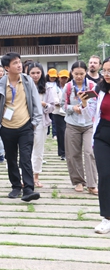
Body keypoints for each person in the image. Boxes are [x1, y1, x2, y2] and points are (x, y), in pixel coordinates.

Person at [0, 52, 42, 202]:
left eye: (19, 62)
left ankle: (29, 189)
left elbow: (36, 101)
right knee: (11, 158)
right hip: (6, 127)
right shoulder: (0, 84)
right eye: (15, 63)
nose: (19, 65)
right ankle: (16, 186)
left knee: (25, 158)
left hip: (26, 125)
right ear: (7, 67)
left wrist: (35, 122)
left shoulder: (27, 80)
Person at [62, 61, 98, 195]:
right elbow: (62, 105)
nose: (78, 76)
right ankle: (78, 181)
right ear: (72, 73)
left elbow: (95, 104)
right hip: (72, 124)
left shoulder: (92, 86)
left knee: (90, 152)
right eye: (76, 74)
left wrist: (84, 107)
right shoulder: (68, 87)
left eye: (81, 74)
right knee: (73, 154)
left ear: (85, 73)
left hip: (89, 124)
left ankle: (92, 183)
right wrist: (73, 108)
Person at [90, 57, 110, 233]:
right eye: (105, 71)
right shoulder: (99, 88)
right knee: (105, 175)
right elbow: (92, 111)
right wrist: (84, 102)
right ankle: (106, 218)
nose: (107, 74)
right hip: (103, 134)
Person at [28, 63, 55, 188]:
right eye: (32, 73)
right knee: (25, 150)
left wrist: (44, 104)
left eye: (38, 73)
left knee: (38, 150)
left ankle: (36, 176)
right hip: (25, 121)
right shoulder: (24, 86)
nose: (35, 75)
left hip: (41, 122)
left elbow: (52, 107)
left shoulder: (47, 88)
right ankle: (26, 176)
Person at [54, 70, 70, 160]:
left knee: (67, 132)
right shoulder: (54, 87)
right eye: (62, 77)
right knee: (60, 133)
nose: (63, 79)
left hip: (68, 112)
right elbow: (54, 100)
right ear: (59, 77)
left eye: (65, 77)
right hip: (57, 112)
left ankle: (66, 151)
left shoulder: (70, 87)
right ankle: (62, 152)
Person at [47, 68, 59, 139]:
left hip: (55, 104)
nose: (52, 78)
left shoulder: (57, 84)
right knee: (47, 118)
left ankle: (54, 134)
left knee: (54, 121)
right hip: (47, 104)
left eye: (54, 77)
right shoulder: (45, 84)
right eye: (51, 76)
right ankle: (47, 133)